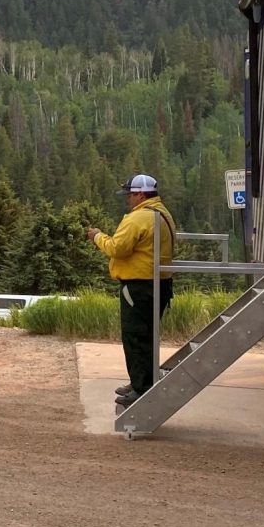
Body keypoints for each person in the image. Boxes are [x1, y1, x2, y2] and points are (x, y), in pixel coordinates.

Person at [86, 174, 177, 408]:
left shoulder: (138, 218)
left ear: (140, 194)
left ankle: (142, 388)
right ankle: (141, 381)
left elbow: (118, 248)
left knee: (135, 337)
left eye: (130, 195)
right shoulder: (162, 213)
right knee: (146, 336)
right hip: (159, 284)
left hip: (139, 286)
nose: (128, 199)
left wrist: (97, 236)